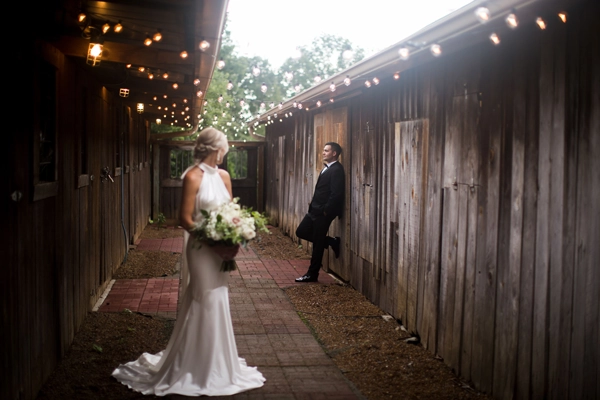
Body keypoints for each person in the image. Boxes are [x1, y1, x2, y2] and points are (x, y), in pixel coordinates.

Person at [112, 127, 265, 396]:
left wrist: (235, 236)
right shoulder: (193, 176)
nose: (225, 152)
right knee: (203, 296)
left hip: (222, 249)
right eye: (223, 147)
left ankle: (219, 363)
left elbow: (231, 210)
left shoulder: (224, 176)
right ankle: (194, 366)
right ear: (214, 148)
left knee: (219, 297)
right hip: (200, 247)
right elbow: (184, 219)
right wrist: (213, 242)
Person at [295, 142, 345, 282]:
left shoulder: (337, 170)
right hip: (314, 210)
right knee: (301, 231)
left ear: (334, 153)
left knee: (317, 245)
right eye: (323, 150)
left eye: (326, 151)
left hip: (323, 213)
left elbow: (336, 193)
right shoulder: (327, 168)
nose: (323, 153)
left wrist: (326, 210)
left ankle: (312, 274)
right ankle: (331, 241)